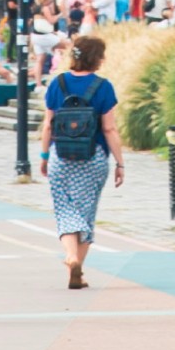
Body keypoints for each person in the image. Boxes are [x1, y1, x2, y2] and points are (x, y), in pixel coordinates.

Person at [40, 33, 123, 289]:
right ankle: (78, 268)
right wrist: (120, 162)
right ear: (95, 58)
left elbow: (47, 125)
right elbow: (109, 129)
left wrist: (44, 156)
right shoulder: (103, 86)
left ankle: (70, 255)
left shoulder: (58, 83)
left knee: (64, 209)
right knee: (86, 213)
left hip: (61, 156)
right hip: (93, 157)